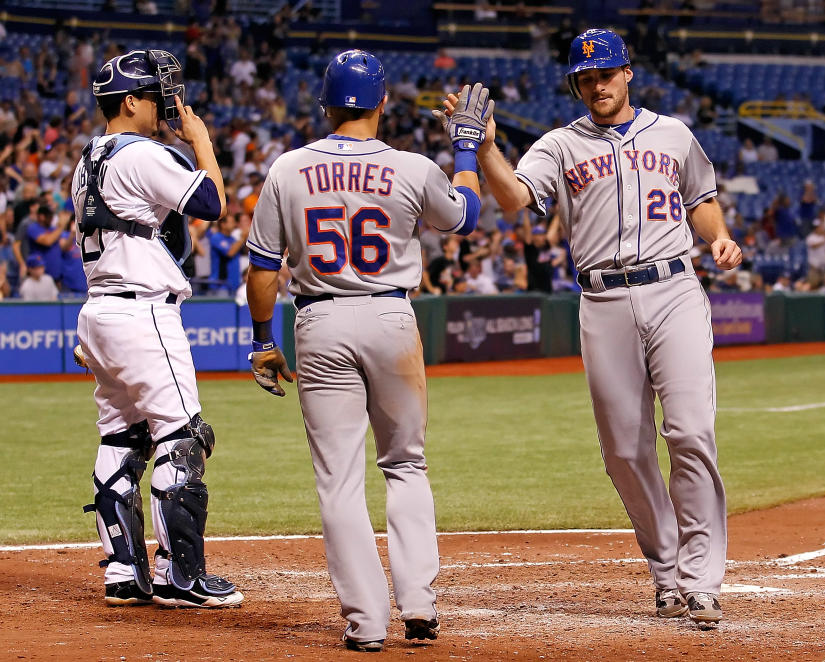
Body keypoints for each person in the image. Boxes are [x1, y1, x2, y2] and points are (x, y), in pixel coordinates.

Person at [467, 29, 741, 625]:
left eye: (606, 74)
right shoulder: (558, 145)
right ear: (576, 85)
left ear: (627, 74)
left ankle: (701, 579)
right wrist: (488, 151)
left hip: (673, 288)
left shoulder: (671, 133)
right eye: (585, 78)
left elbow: (701, 197)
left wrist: (717, 235)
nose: (597, 85)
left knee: (691, 432)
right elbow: (515, 199)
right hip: (603, 299)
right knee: (623, 449)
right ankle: (665, 571)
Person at [245, 49, 489, 652]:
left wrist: (261, 340)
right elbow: (464, 217)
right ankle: (420, 606)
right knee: (405, 463)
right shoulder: (409, 166)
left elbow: (261, 269)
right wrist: (463, 150)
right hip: (390, 315)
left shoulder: (288, 168)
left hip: (320, 320)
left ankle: (366, 624)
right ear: (382, 102)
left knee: (339, 482)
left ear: (326, 104)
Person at [70, 49, 242, 608]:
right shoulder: (141, 153)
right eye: (156, 95)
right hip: (143, 310)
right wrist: (201, 141)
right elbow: (212, 202)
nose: (167, 103)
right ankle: (184, 577)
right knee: (182, 437)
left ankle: (124, 570)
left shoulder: (88, 158)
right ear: (130, 102)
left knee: (120, 437)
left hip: (102, 308)